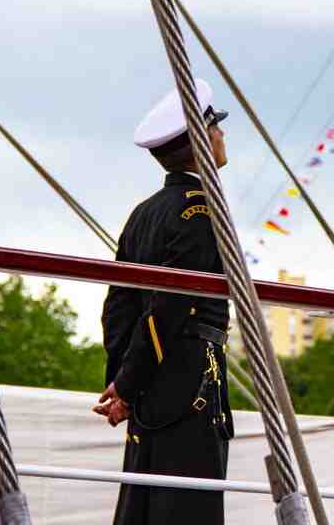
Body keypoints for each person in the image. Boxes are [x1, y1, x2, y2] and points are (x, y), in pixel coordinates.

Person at [95, 79, 234, 525]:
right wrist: (128, 385)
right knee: (188, 509)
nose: (223, 135)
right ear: (200, 140)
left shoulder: (145, 211)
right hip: (189, 381)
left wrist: (121, 382)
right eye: (216, 128)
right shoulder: (202, 211)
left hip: (150, 388)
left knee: (144, 509)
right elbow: (173, 307)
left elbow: (118, 307)